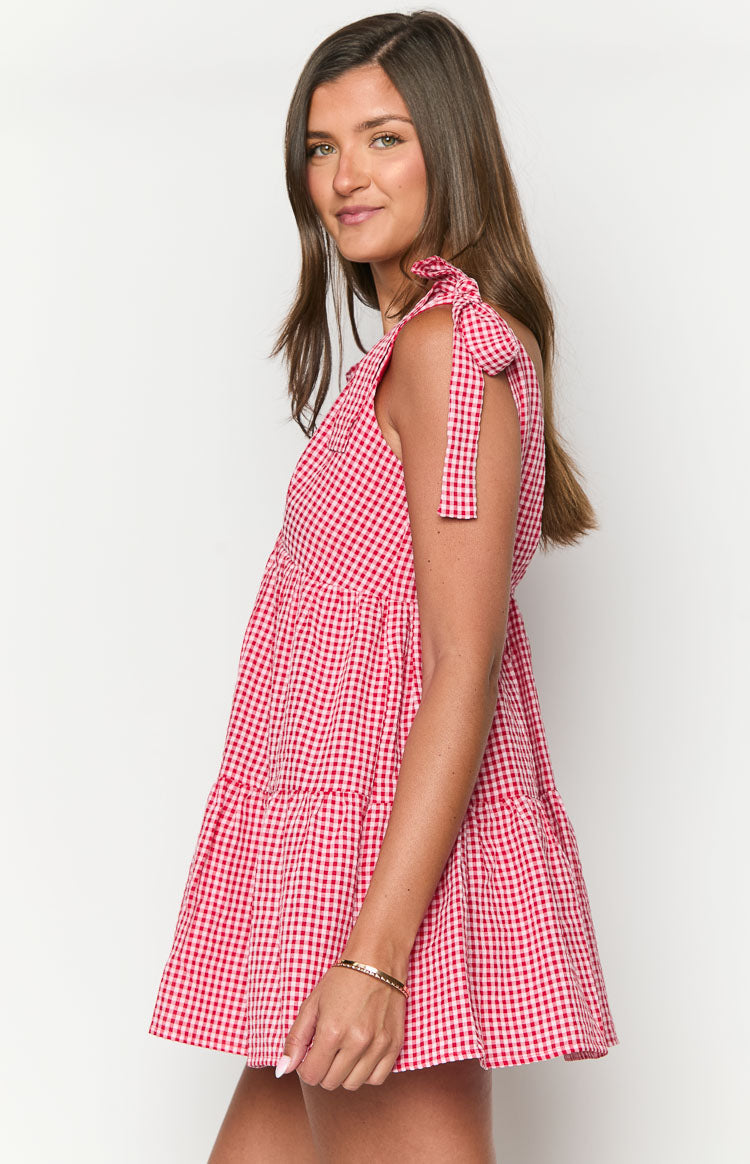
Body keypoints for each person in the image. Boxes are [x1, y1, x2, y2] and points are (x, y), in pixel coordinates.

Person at [148, 10, 619, 1161]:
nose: (344, 176)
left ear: (449, 149)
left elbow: (465, 661)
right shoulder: (406, 350)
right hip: (320, 844)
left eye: (384, 138)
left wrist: (374, 956)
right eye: (321, 146)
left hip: (374, 871)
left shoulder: (452, 348)